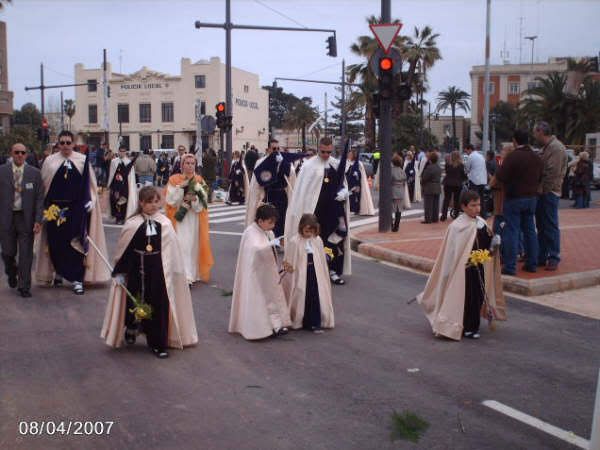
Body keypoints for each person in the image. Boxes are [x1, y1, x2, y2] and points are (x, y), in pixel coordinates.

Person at [101, 186, 198, 358]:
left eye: (156, 202)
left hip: (158, 272)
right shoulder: (133, 223)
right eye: (149, 202)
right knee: (133, 302)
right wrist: (120, 271)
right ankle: (132, 328)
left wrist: (174, 272)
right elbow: (125, 250)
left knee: (158, 306)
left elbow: (172, 251)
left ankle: (158, 343)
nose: (154, 205)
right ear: (141, 203)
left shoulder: (165, 223)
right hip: (136, 271)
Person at [417, 190, 506, 340]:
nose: (477, 208)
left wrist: (494, 243)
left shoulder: (481, 223)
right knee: (464, 298)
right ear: (464, 207)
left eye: (478, 205)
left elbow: (487, 246)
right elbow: (452, 252)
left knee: (477, 297)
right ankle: (462, 325)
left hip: (479, 267)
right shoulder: (457, 227)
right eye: (473, 205)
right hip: (463, 270)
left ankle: (472, 326)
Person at [35, 130, 111, 294]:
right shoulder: (50, 161)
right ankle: (59, 273)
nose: (65, 146)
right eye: (62, 143)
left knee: (76, 244)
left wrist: (91, 200)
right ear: (58, 144)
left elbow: (90, 185)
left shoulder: (82, 160)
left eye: (68, 142)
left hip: (76, 209)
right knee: (56, 243)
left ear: (73, 143)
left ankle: (77, 278)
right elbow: (44, 185)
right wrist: (43, 208)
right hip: (54, 210)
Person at [285, 137, 350, 285]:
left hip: (334, 210)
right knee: (315, 241)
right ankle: (316, 270)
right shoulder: (309, 166)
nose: (326, 155)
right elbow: (303, 191)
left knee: (337, 239)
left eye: (329, 152)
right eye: (323, 152)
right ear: (318, 149)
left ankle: (334, 270)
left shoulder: (335, 164)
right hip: (316, 212)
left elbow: (343, 183)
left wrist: (344, 192)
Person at [229, 204, 291, 340]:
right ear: (260, 220)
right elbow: (254, 249)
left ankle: (276, 325)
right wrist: (271, 244)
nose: (273, 226)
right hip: (256, 274)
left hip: (268, 271)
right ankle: (262, 328)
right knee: (260, 300)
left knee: (272, 297)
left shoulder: (267, 232)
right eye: (270, 222)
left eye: (274, 222)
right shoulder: (250, 232)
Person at [495, 129, 543, 275]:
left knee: (512, 231)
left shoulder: (513, 157)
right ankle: (532, 263)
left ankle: (510, 266)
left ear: (515, 140)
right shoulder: (536, 157)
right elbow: (541, 176)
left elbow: (501, 176)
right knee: (530, 231)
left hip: (514, 198)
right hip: (531, 198)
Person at [0, 143, 44, 297]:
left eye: (23, 152)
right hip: (6, 218)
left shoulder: (35, 173)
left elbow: (39, 198)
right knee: (7, 252)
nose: (20, 155)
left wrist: (38, 220)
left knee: (26, 254)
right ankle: (11, 271)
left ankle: (24, 286)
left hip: (26, 219)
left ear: (26, 155)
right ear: (11, 154)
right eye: (17, 152)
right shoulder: (2, 172)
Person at [165, 153, 214, 285]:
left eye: (192, 163)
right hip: (180, 219)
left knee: (193, 246)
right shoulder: (174, 179)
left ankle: (193, 273)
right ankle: (185, 276)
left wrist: (195, 199)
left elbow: (204, 200)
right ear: (182, 165)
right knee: (182, 245)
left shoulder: (199, 180)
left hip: (194, 218)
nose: (190, 166)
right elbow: (170, 200)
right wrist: (181, 190)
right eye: (187, 163)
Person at [282, 213, 334, 332]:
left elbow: (321, 259)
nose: (309, 234)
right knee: (301, 296)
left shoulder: (317, 240)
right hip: (300, 275)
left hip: (315, 274)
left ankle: (314, 322)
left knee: (315, 296)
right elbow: (290, 260)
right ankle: (300, 319)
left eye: (312, 231)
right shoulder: (295, 241)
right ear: (301, 228)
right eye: (306, 231)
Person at [245, 139, 299, 239]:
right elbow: (256, 184)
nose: (276, 151)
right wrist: (257, 199)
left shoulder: (285, 163)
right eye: (274, 149)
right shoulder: (261, 163)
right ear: (268, 149)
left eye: (278, 148)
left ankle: (280, 241)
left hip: (282, 197)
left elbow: (292, 180)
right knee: (267, 221)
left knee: (281, 222)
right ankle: (266, 241)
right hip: (268, 196)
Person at [533, 121, 568, 271]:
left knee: (550, 226)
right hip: (544, 192)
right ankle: (542, 255)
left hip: (549, 192)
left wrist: (542, 190)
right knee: (541, 226)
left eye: (535, 133)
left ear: (541, 132)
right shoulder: (548, 147)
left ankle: (553, 256)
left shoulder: (556, 148)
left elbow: (552, 173)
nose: (534, 136)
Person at [108, 146, 138, 225]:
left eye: (123, 151)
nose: (122, 153)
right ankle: (117, 217)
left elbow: (131, 177)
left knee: (123, 202)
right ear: (118, 151)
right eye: (120, 151)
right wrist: (110, 185)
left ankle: (122, 217)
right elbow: (111, 174)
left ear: (125, 152)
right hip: (115, 185)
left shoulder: (128, 162)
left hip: (125, 186)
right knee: (115, 201)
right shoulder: (114, 161)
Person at [345, 149, 375, 216]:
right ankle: (351, 209)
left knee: (356, 197)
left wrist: (357, 174)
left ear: (353, 155)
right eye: (348, 154)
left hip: (356, 183)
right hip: (349, 183)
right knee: (350, 196)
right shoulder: (347, 163)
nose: (348, 155)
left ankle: (356, 209)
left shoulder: (358, 163)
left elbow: (361, 173)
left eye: (350, 154)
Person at [440, 150, 467, 221]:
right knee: (456, 200)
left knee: (446, 199)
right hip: (457, 184)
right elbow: (463, 174)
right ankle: (456, 214)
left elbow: (447, 172)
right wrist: (465, 178)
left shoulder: (448, 164)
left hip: (448, 183)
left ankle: (443, 215)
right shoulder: (461, 165)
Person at [464, 144, 487, 213]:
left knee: (473, 198)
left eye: (466, 151)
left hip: (474, 181)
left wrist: (466, 172)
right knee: (481, 198)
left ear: (470, 149)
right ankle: (483, 214)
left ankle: (474, 213)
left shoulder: (471, 156)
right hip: (483, 180)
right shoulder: (481, 156)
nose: (466, 153)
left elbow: (467, 169)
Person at [421, 151, 442, 224]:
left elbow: (424, 178)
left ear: (430, 159)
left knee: (428, 204)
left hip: (429, 187)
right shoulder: (438, 167)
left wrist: (422, 183)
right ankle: (435, 218)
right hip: (437, 186)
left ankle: (428, 219)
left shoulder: (429, 168)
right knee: (436, 204)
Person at [391, 153, 410, 232]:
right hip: (401, 191)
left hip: (392, 191)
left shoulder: (391, 171)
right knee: (399, 209)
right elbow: (405, 180)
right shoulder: (402, 171)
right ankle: (396, 226)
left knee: (390, 208)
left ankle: (391, 224)